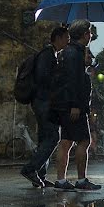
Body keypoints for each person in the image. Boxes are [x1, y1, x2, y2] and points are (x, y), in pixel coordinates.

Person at [50, 19, 101, 191]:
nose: (91, 36)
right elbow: (73, 81)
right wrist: (75, 105)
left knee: (65, 142)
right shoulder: (75, 53)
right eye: (90, 33)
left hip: (64, 104)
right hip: (73, 106)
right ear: (85, 34)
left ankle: (61, 181)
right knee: (84, 141)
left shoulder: (69, 51)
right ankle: (81, 180)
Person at [20, 26, 68, 188]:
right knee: (53, 137)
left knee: (43, 139)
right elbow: (44, 79)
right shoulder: (47, 55)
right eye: (66, 38)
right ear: (58, 38)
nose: (68, 41)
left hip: (42, 102)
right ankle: (30, 169)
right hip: (44, 103)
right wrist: (59, 75)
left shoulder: (51, 55)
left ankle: (40, 176)